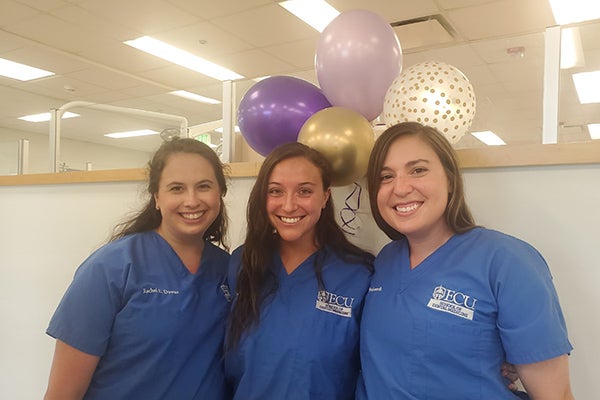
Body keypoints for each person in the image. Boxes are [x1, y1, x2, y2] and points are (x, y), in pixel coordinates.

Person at [356, 122, 574, 399]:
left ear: (449, 178)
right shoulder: (384, 261)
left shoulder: (507, 262)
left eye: (418, 170)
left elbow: (556, 394)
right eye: (386, 177)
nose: (399, 188)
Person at [44, 138, 231, 400]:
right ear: (156, 197)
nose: (191, 200)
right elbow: (63, 394)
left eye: (203, 187)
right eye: (176, 188)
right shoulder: (111, 267)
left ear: (220, 193)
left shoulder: (227, 268)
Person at [225, 142, 374, 399]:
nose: (289, 205)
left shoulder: (358, 274)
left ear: (326, 196)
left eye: (304, 191)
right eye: (275, 191)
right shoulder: (243, 263)